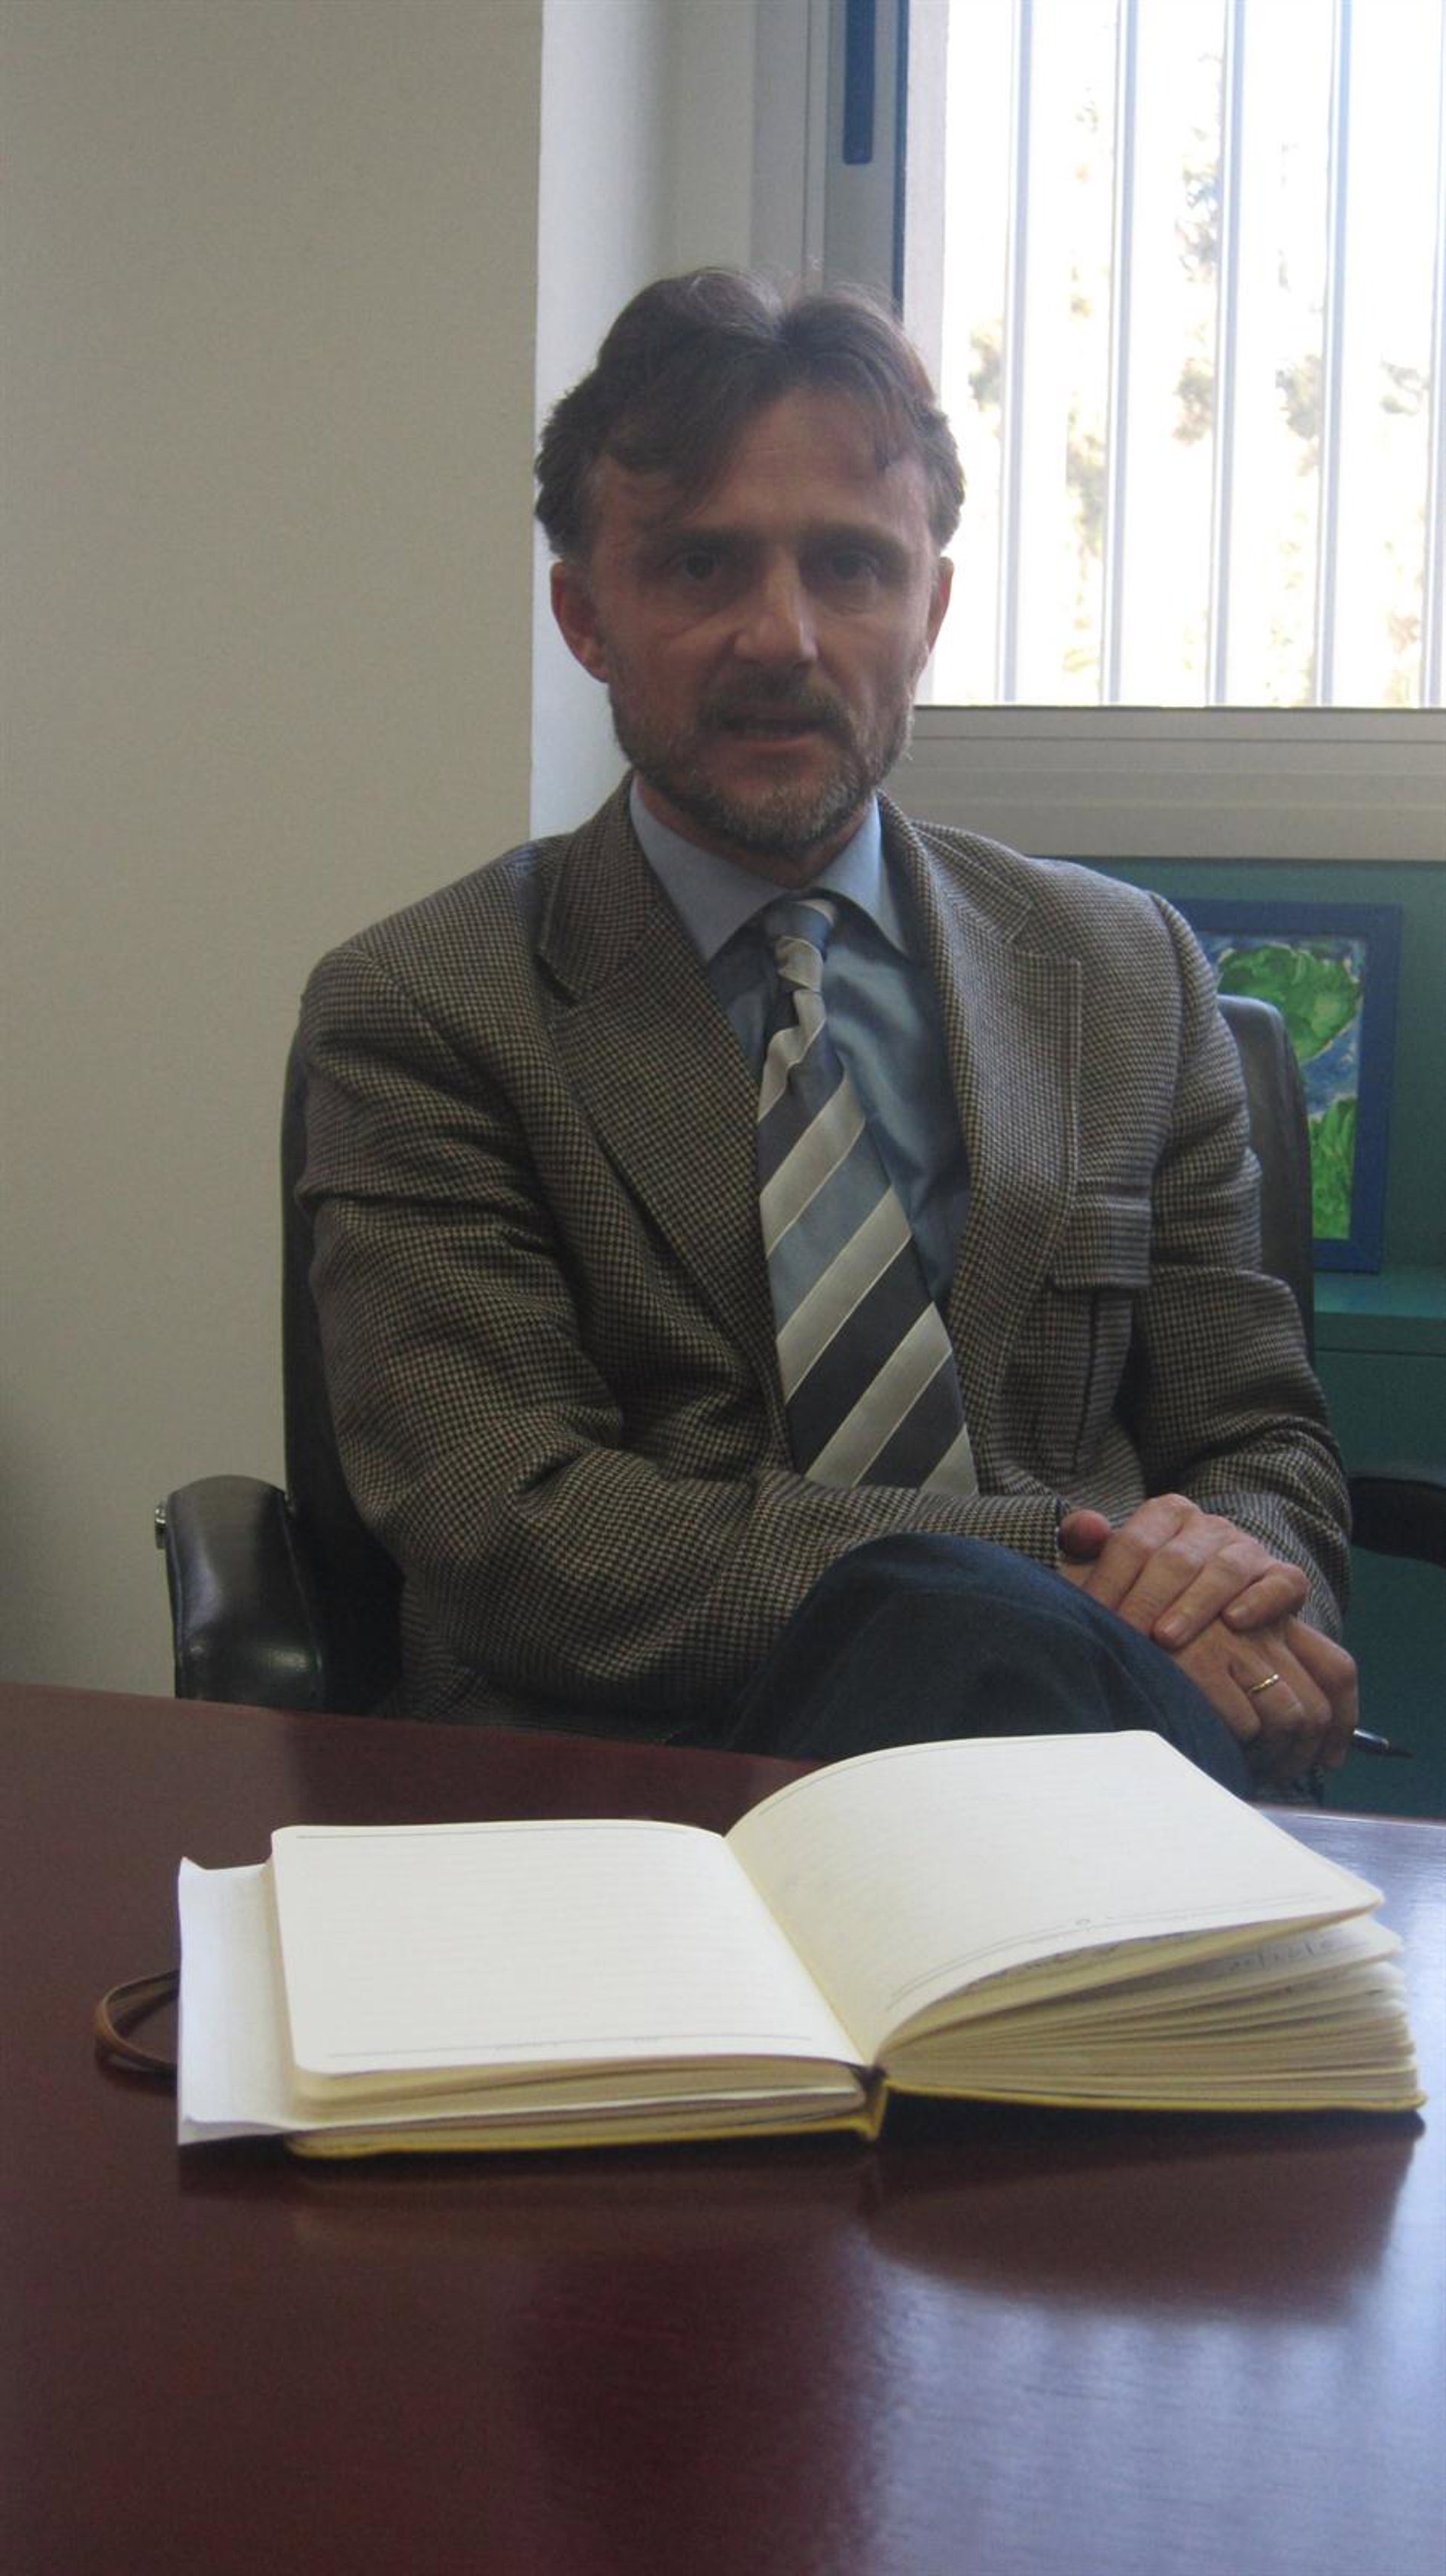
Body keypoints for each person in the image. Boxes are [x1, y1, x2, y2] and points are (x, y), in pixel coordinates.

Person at [297, 267, 1357, 1794]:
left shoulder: (1127, 976)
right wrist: (1058, 1572)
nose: (782, 637)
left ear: (930, 610)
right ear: (586, 617)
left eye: (852, 566)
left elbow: (1258, 1445)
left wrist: (1240, 1589)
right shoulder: (426, 1008)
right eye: (701, 565)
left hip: (1111, 1770)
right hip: (638, 1790)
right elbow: (516, 1530)